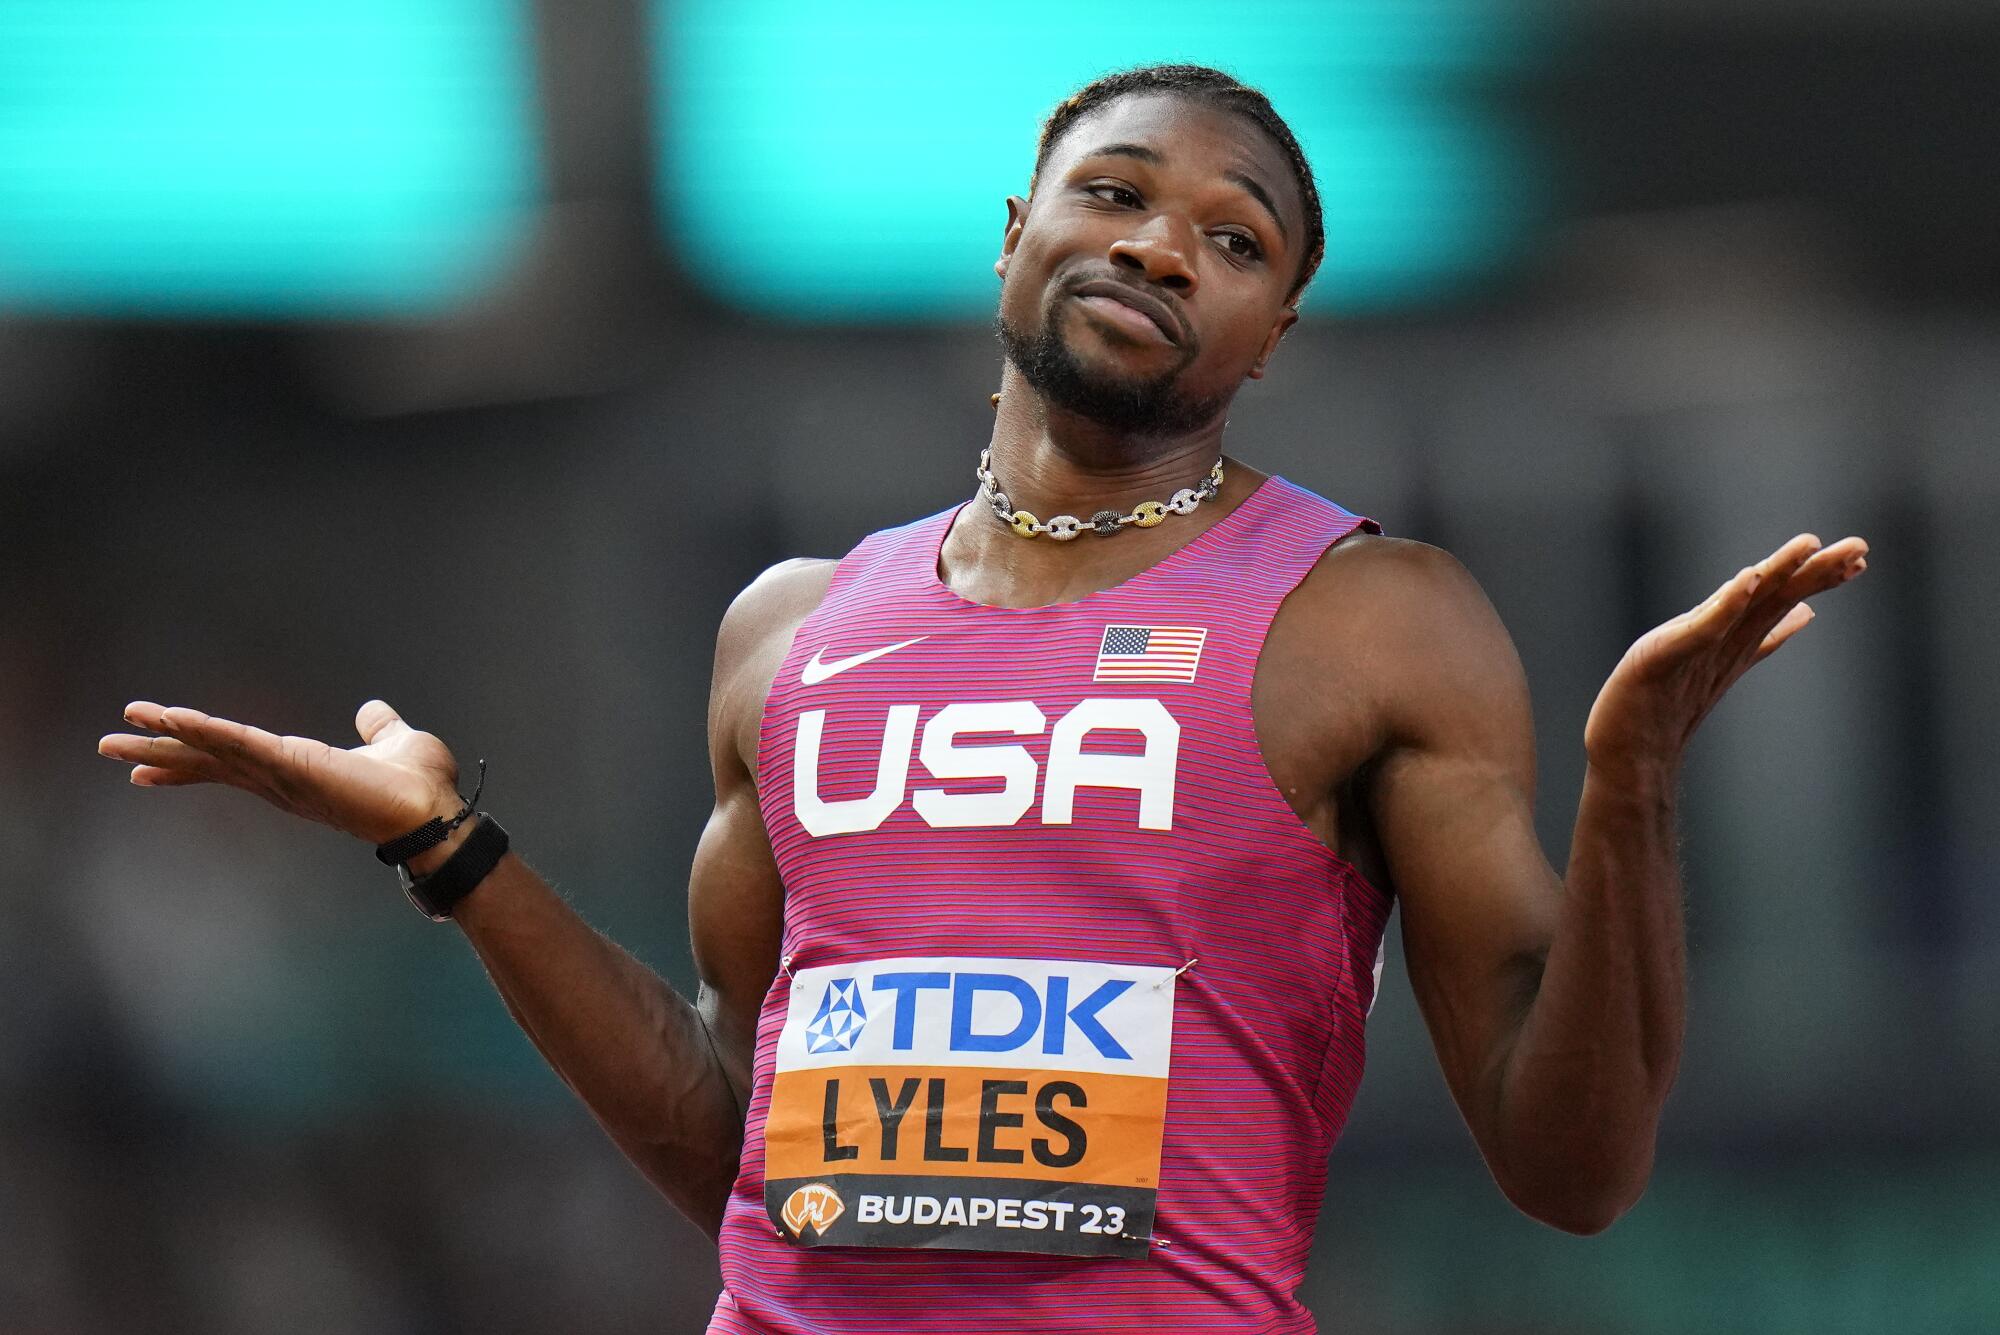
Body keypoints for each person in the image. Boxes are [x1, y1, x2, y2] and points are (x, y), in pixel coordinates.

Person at [97, 64, 1867, 1334]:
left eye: (1234, 242)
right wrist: (454, 852)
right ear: (1019, 230)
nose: (1167, 247)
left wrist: (1629, 787)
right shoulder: (790, 635)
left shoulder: (1369, 623)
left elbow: (1577, 1173)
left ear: (1274, 339)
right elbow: (740, 1148)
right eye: (1117, 194)